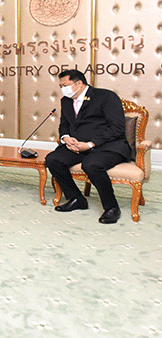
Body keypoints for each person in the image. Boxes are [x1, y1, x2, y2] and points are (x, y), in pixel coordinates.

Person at [47, 69, 131, 224]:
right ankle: (76, 199)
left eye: (65, 85)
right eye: (61, 86)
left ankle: (112, 207)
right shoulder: (66, 101)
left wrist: (90, 144)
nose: (63, 89)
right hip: (78, 145)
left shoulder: (106, 96)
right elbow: (64, 124)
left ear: (79, 83)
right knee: (53, 159)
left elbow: (117, 128)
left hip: (107, 145)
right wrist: (66, 138)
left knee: (91, 164)